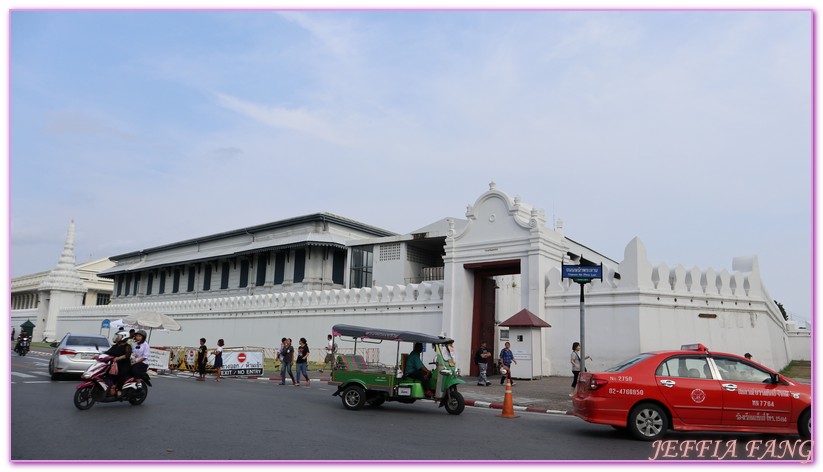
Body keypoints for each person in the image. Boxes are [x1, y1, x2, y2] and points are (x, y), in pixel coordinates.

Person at [104, 331, 132, 397]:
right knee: (106, 373)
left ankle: (119, 389)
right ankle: (110, 387)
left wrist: (118, 358)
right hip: (114, 364)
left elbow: (127, 355)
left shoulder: (127, 346)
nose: (116, 338)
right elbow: (108, 352)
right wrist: (98, 355)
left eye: (118, 336)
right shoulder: (115, 346)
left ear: (123, 337)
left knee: (122, 374)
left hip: (124, 364)